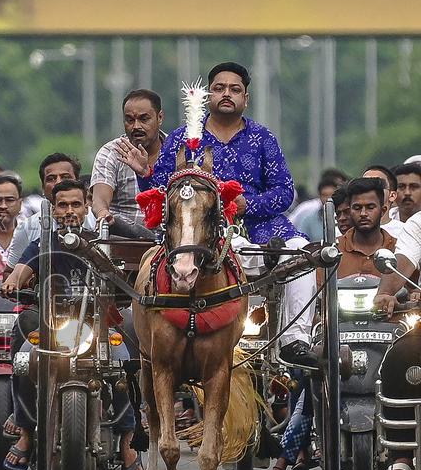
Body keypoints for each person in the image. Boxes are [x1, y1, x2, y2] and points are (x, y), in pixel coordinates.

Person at [134, 61, 316, 367]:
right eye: (219, 88)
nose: (226, 94)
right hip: (202, 237)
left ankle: (294, 341)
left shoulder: (263, 138)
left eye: (235, 89)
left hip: (265, 234)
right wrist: (144, 174)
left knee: (301, 256)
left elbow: (285, 191)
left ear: (246, 98)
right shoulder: (183, 139)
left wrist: (248, 205)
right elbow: (161, 195)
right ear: (209, 97)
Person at [252, 178, 397, 470]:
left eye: (369, 207)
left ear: (384, 208)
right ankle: (282, 462)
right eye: (355, 208)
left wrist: (402, 302)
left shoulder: (399, 249)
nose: (361, 214)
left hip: (390, 337)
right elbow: (313, 295)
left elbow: (411, 286)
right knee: (310, 379)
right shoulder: (329, 253)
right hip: (338, 334)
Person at [0, 179, 142, 470]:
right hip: (54, 328)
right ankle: (25, 430)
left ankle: (129, 440)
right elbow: (22, 270)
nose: (68, 211)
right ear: (53, 209)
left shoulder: (103, 241)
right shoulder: (44, 243)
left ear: (87, 205)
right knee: (24, 359)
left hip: (100, 329)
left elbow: (124, 276)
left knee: (123, 368)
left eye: (75, 205)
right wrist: (14, 281)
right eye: (62, 205)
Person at [91, 88, 165, 234]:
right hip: (124, 240)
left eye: (144, 119)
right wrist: (102, 213)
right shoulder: (111, 152)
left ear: (160, 118)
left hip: (171, 239)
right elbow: (99, 200)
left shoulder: (176, 150)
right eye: (130, 120)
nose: (136, 126)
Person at [6, 153, 96, 269]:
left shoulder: (98, 222)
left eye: (65, 177)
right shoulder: (27, 227)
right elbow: (10, 273)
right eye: (51, 179)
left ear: (78, 182)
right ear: (42, 188)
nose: (58, 182)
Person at [293, 172, 346, 241]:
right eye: (324, 195)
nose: (328, 198)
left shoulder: (345, 217)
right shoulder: (309, 219)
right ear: (319, 196)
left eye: (331, 195)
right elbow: (301, 241)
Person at [363, 165, 401, 238]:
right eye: (364, 185)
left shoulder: (405, 232)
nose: (369, 190)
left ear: (392, 195)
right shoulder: (347, 232)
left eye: (377, 185)